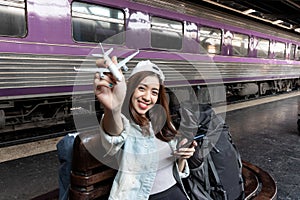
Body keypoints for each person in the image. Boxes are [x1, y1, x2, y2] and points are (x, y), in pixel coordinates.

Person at [94, 56, 197, 200]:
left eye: (154, 92)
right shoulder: (123, 123)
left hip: (176, 191)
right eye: (142, 88)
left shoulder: (161, 123)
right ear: (130, 89)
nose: (148, 97)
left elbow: (177, 173)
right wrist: (113, 109)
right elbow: (113, 135)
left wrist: (182, 157)